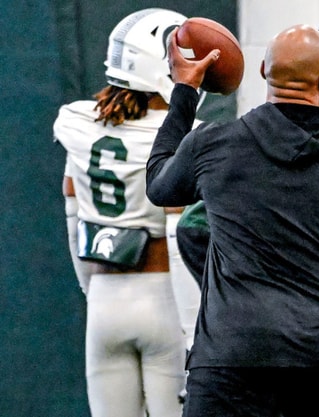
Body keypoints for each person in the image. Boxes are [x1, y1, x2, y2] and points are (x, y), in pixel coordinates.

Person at [145, 15, 319, 417]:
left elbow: (159, 185)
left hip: (229, 355)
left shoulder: (214, 145)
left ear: (261, 71)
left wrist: (185, 90)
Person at [54, 8, 190, 417]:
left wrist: (91, 292)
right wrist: (192, 325)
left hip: (104, 301)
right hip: (166, 297)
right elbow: (177, 228)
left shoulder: (79, 123)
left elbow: (73, 214)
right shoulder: (181, 134)